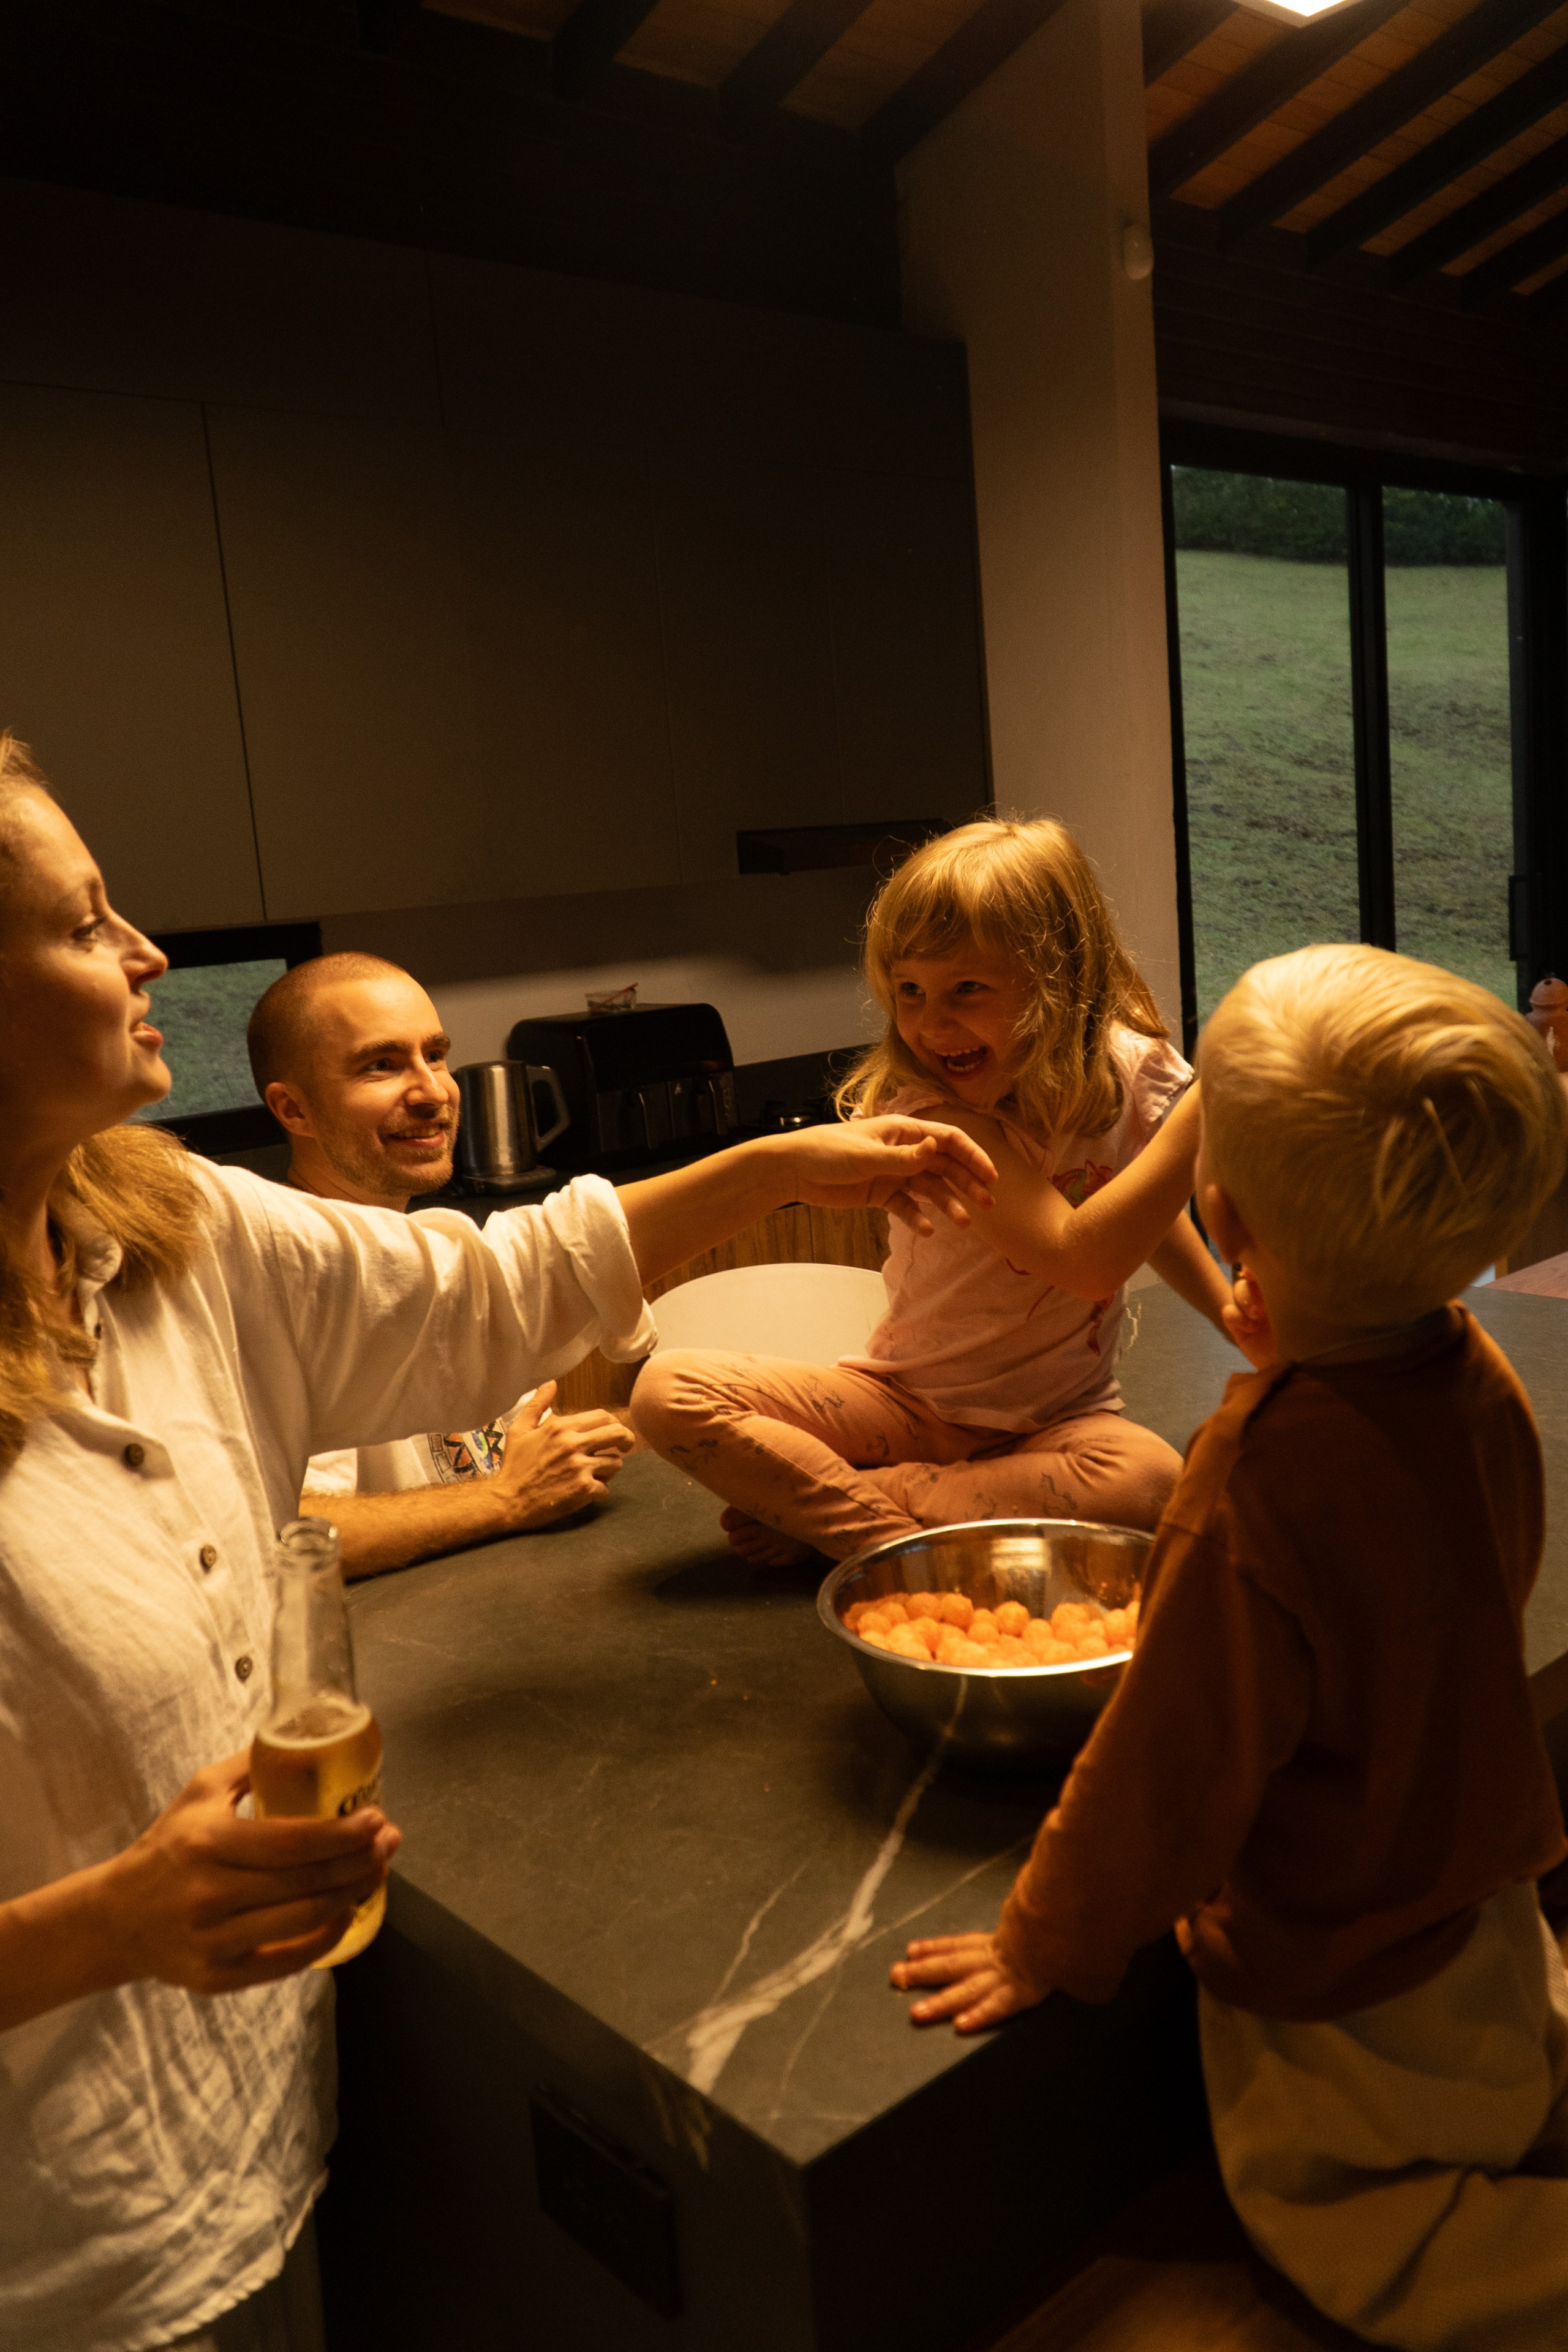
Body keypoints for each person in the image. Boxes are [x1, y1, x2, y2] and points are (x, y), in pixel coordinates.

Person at [0, 731, 997, 2352]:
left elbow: (493, 1287)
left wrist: (775, 1167)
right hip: (54, 2263)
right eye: (82, 921)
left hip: (264, 2145)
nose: (146, 953)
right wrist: (104, 1926)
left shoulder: (177, 1234)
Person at [891, 942, 1568, 2352]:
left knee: (1362, 2235)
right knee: (1505, 2077)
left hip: (1342, 1964)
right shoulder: (1469, 1363)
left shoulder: (1253, 1474)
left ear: (1223, 1222)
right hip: (1485, 1902)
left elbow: (1168, 1762)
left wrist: (1042, 1937)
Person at [633, 816, 1254, 1568]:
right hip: (908, 1408)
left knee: (1149, 1484)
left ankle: (847, 1508)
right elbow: (1084, 1259)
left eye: (966, 988)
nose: (932, 1024)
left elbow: (1140, 1214)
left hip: (1061, 1423)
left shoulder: (1129, 1071)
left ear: (1062, 981)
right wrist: (1216, 1093)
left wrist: (1223, 1305)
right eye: (910, 991)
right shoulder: (939, 1117)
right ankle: (895, 1543)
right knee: (666, 1391)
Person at [247, 952, 635, 1577]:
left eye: (436, 1054)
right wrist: (504, 1499)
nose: (433, 1092)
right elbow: (278, 1531)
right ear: (294, 1110)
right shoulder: (280, 1288)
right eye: (382, 1065)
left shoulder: (436, 1250)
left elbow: (493, 1454)